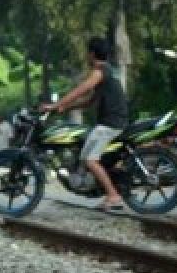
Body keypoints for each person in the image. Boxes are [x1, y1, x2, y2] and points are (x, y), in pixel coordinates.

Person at [41, 37, 130, 211]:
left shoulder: (99, 72)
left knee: (90, 161)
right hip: (110, 122)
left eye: (87, 53)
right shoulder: (106, 72)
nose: (86, 57)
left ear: (91, 54)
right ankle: (97, 188)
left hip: (111, 123)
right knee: (84, 157)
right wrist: (64, 108)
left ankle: (113, 196)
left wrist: (56, 104)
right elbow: (89, 101)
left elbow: (80, 90)